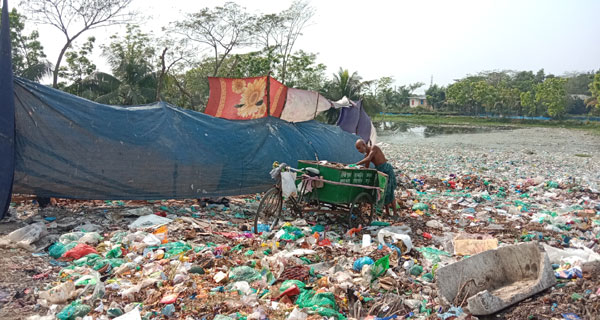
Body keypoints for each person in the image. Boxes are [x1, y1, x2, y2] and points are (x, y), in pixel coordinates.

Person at [354, 139, 398, 216]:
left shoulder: (374, 148)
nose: (358, 150)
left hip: (386, 169)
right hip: (379, 171)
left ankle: (395, 213)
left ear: (364, 145)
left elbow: (368, 159)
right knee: (384, 192)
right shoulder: (366, 155)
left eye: (359, 148)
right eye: (357, 149)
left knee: (390, 192)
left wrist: (355, 164)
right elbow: (366, 167)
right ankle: (387, 212)